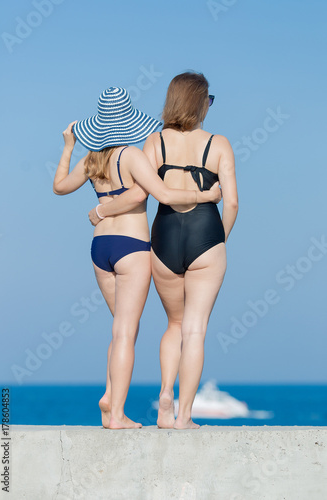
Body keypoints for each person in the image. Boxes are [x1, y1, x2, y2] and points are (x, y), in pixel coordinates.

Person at [53, 86, 221, 429]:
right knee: (126, 331)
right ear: (128, 122)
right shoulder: (131, 155)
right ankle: (115, 413)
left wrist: (69, 147)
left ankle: (110, 393)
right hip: (131, 246)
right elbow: (161, 193)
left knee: (120, 330)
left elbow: (59, 187)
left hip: (100, 249)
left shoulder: (91, 159)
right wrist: (207, 195)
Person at [91, 73, 238, 429]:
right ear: (201, 102)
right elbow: (231, 202)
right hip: (206, 234)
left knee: (173, 324)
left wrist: (102, 210)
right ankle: (184, 417)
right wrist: (218, 242)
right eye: (209, 99)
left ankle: (164, 401)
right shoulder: (219, 144)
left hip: (164, 237)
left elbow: (143, 191)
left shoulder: (152, 142)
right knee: (195, 329)